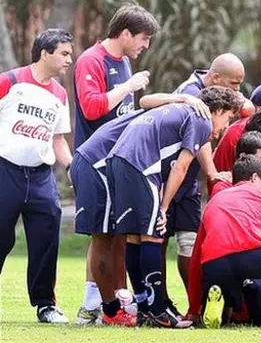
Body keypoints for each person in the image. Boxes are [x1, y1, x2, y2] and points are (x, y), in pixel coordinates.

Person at [71, 91, 213, 326]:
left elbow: (145, 101)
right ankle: (111, 310)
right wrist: (185, 98)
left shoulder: (166, 117)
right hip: (97, 161)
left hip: (106, 161)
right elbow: (145, 101)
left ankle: (138, 306)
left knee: (130, 235)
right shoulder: (188, 115)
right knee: (104, 237)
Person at [105, 87, 241, 328]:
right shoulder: (201, 119)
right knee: (153, 235)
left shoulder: (182, 109)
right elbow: (181, 167)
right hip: (140, 164)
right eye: (228, 118)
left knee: (135, 237)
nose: (223, 127)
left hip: (117, 160)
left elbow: (146, 101)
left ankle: (146, 308)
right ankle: (157, 311)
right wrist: (164, 208)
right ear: (217, 110)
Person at [138, 53, 251, 317]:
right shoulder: (192, 93)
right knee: (158, 239)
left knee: (189, 242)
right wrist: (212, 173)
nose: (237, 91)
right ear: (215, 79)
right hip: (166, 177)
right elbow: (201, 136)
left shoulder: (211, 91)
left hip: (186, 183)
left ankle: (196, 304)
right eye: (234, 85)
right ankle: (159, 302)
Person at [73, 3, 159, 325]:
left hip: (119, 163)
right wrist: (127, 87)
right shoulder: (90, 61)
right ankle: (93, 305)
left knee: (119, 235)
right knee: (101, 235)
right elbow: (93, 108)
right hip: (95, 162)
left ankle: (113, 307)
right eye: (143, 38)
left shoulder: (123, 62)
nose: (145, 46)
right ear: (124, 33)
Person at [0, 28, 74, 323]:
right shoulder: (10, 81)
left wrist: (71, 168)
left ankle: (46, 304)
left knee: (46, 239)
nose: (70, 59)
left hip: (42, 176)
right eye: (64, 53)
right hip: (6, 171)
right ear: (45, 53)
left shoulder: (59, 93)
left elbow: (58, 140)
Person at [186, 155, 261, 329]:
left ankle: (214, 303)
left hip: (214, 264)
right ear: (255, 177)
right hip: (254, 258)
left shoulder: (216, 199)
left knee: (227, 273)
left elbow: (197, 257)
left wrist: (193, 309)